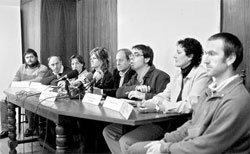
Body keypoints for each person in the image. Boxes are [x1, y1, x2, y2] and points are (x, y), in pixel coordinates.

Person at [127, 33, 250, 154]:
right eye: (206, 54)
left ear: (231, 59)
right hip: (190, 142)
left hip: (199, 147)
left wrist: (166, 148)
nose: (206, 60)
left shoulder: (236, 99)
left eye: (212, 54)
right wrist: (165, 140)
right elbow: (192, 124)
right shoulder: (210, 91)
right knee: (135, 148)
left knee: (134, 148)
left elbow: (208, 146)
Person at [103, 39, 210, 154]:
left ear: (190, 56)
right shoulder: (179, 73)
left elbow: (190, 105)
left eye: (178, 53)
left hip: (179, 123)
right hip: (166, 119)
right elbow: (165, 94)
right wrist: (150, 102)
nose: (174, 56)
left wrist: (160, 107)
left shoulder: (201, 74)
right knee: (109, 131)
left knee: (127, 141)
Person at [103, 44, 170, 154]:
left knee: (126, 141)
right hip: (135, 120)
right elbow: (119, 92)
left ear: (147, 59)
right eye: (131, 56)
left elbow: (165, 100)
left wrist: (143, 96)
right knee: (109, 131)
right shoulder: (135, 77)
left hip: (155, 123)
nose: (131, 58)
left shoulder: (161, 76)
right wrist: (136, 88)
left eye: (136, 55)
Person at [0, 49, 48, 139]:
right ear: (25, 59)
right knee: (3, 101)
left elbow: (38, 81)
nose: (29, 59)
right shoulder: (21, 67)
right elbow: (14, 81)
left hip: (35, 95)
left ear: (36, 57)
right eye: (27, 57)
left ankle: (31, 128)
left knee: (29, 103)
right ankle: (6, 129)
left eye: (31, 57)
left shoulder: (43, 68)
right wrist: (7, 93)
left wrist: (21, 84)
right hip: (20, 94)